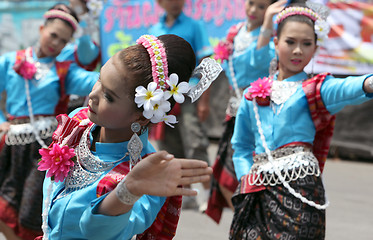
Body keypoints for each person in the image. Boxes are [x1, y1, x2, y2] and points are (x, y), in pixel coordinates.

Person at [35, 34, 215, 240]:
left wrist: (127, 191)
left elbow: (95, 231)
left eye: (109, 96)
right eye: (98, 80)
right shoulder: (79, 122)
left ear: (142, 115)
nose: (92, 95)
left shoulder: (148, 172)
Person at [230, 2, 373, 239]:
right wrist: (246, 177)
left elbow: (348, 87)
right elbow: (242, 147)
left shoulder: (316, 90)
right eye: (290, 42)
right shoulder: (252, 96)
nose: (298, 51)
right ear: (276, 43)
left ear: (316, 48)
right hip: (258, 191)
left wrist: (367, 83)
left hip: (300, 190)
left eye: (306, 44)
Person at [0, 5, 98, 240]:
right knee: (4, 207)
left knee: (31, 212)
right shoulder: (10, 61)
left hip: (44, 150)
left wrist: (122, 76)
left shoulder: (65, 71)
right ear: (41, 28)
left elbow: (93, 75)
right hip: (11, 144)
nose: (56, 43)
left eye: (63, 41)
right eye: (53, 35)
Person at [205, 0, 287, 224]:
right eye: (251, 3)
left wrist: (269, 23)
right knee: (223, 177)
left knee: (254, 173)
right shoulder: (235, 32)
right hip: (235, 112)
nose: (253, 10)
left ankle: (253, 219)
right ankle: (249, 218)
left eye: (261, 7)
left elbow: (258, 60)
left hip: (260, 115)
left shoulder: (276, 38)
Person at [149, 0, 214, 211]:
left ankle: (208, 193)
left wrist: (204, 100)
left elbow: (207, 64)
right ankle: (185, 195)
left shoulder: (195, 26)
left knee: (195, 142)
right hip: (164, 98)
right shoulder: (154, 30)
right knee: (170, 147)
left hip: (189, 96)